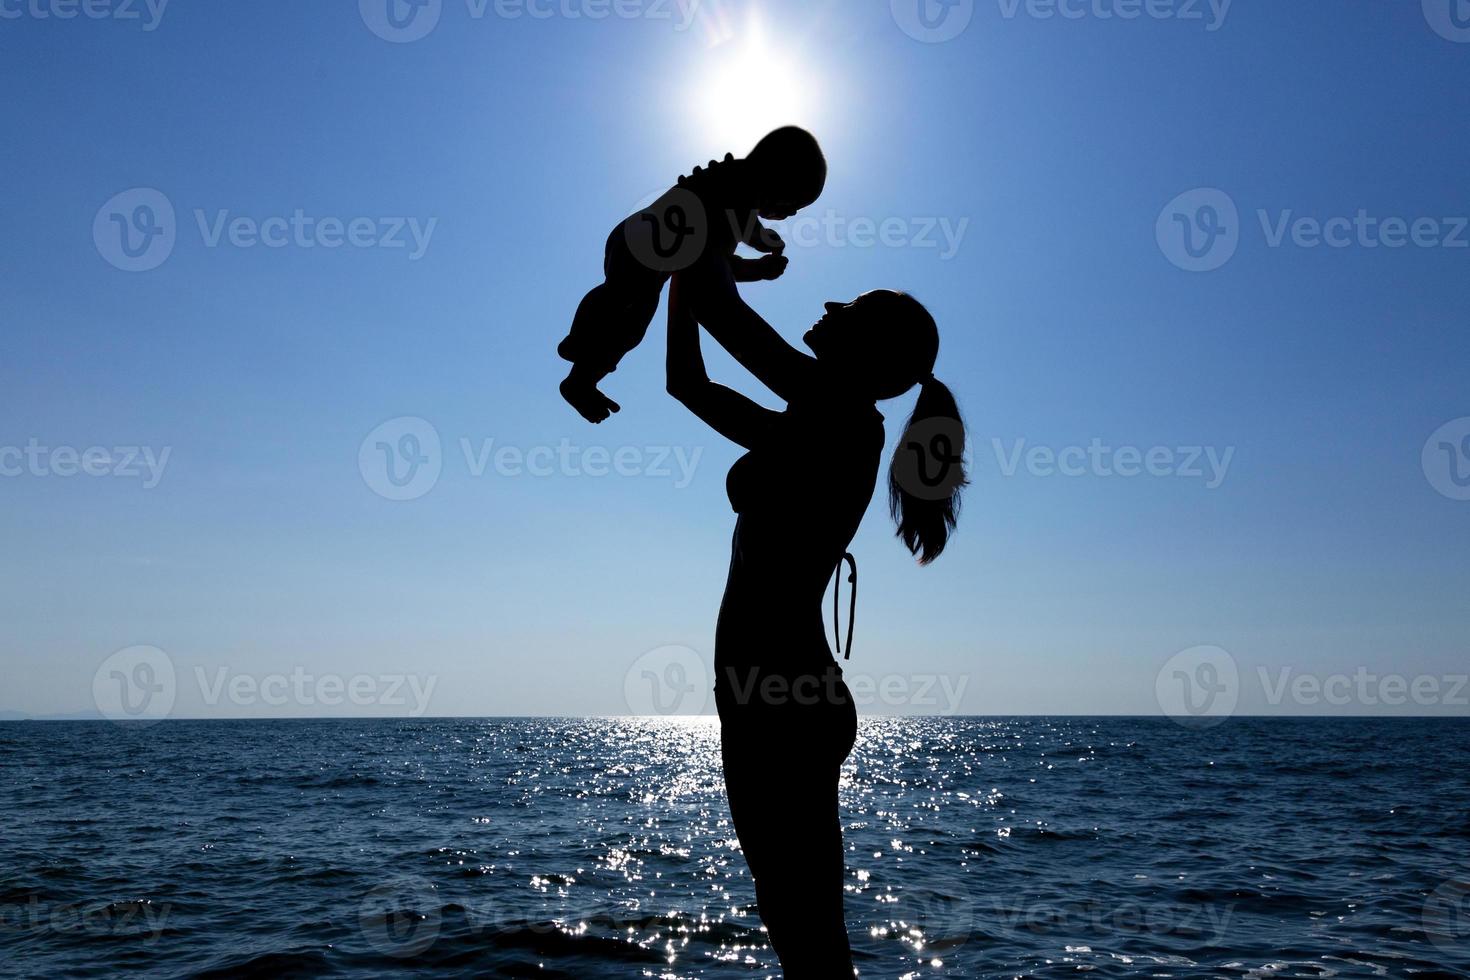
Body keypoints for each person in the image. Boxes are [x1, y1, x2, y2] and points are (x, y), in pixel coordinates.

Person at [664, 253, 968, 976]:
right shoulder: (808, 423)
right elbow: (688, 382)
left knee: (807, 935)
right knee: (795, 925)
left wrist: (702, 240)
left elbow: (731, 321)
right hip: (770, 695)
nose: (830, 307)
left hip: (783, 695)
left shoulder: (842, 417)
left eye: (852, 310)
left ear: (868, 354)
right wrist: (682, 273)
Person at [558, 127, 827, 424]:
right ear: (778, 175)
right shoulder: (737, 181)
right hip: (640, 240)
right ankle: (580, 337)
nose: (789, 215)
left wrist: (757, 270)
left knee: (631, 325)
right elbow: (741, 234)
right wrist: (766, 242)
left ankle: (582, 377)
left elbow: (716, 264)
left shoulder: (730, 204)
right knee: (620, 296)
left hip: (652, 257)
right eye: (792, 205)